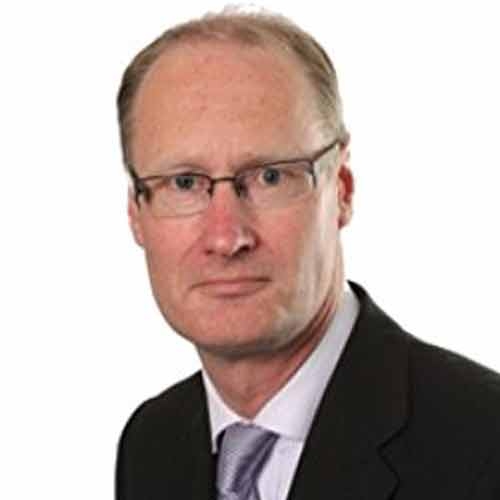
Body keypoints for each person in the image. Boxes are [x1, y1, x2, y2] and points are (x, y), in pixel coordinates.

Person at [115, 8, 500, 500]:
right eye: (184, 183)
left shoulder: (484, 444)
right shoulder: (152, 444)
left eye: (271, 176)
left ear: (342, 189)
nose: (227, 238)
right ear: (136, 212)